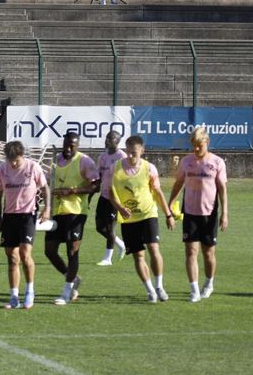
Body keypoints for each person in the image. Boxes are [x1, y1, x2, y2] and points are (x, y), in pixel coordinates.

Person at [110, 135, 176, 303]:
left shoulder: (149, 168)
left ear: (142, 151)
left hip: (148, 214)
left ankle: (159, 286)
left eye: (134, 153)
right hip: (129, 220)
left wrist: (168, 214)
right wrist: (119, 208)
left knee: (154, 248)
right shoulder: (115, 168)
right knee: (138, 256)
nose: (131, 156)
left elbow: (158, 193)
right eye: (128, 153)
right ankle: (150, 291)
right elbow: (110, 193)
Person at [168, 127, 228, 303]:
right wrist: (170, 204)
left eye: (199, 146)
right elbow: (179, 183)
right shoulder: (186, 162)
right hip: (190, 213)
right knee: (190, 251)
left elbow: (223, 189)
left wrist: (225, 213)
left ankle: (209, 284)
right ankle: (194, 289)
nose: (195, 149)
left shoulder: (217, 162)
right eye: (193, 145)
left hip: (209, 214)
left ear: (207, 143)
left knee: (208, 253)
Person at [0, 141, 51, 309]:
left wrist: (47, 209)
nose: (13, 163)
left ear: (22, 156)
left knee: (25, 253)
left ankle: (30, 291)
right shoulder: (1, 169)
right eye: (10, 160)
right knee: (12, 258)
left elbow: (45, 188)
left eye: (16, 160)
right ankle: (14, 296)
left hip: (28, 216)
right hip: (9, 216)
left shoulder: (33, 168)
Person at [45, 132, 99, 305]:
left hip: (75, 212)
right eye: (66, 145)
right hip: (56, 211)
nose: (68, 148)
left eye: (72, 146)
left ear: (77, 145)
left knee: (72, 252)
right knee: (50, 250)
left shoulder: (85, 161)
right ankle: (73, 278)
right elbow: (47, 183)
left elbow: (95, 185)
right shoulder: (55, 160)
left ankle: (67, 291)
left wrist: (72, 191)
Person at [95, 130, 128, 266]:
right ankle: (121, 244)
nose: (108, 140)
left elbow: (125, 177)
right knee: (99, 227)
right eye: (107, 137)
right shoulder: (102, 157)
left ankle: (108, 258)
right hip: (103, 195)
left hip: (115, 197)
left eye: (111, 138)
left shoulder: (122, 157)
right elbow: (99, 176)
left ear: (118, 141)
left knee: (109, 227)